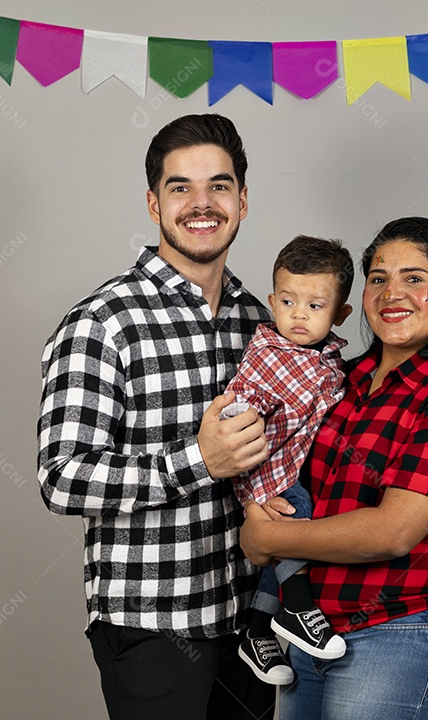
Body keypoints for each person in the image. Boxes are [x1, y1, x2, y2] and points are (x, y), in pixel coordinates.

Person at [38, 114, 278, 720]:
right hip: (153, 622)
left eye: (219, 186)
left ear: (243, 200)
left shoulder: (264, 324)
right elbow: (63, 478)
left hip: (252, 625)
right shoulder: (103, 321)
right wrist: (198, 461)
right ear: (153, 203)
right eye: (181, 188)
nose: (202, 204)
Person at [241, 217, 428, 720]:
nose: (393, 292)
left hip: (400, 633)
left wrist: (267, 540)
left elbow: (393, 531)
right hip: (309, 635)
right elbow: (284, 467)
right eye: (379, 278)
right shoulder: (340, 381)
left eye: (415, 278)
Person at [223, 236, 354, 686]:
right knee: (296, 525)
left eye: (315, 305)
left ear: (339, 316)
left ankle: (257, 633)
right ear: (272, 300)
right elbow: (241, 403)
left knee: (281, 547)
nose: (298, 314)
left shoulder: (330, 360)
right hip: (265, 468)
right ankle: (298, 608)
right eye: (287, 301)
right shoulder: (270, 352)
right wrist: (240, 419)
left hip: (295, 467)